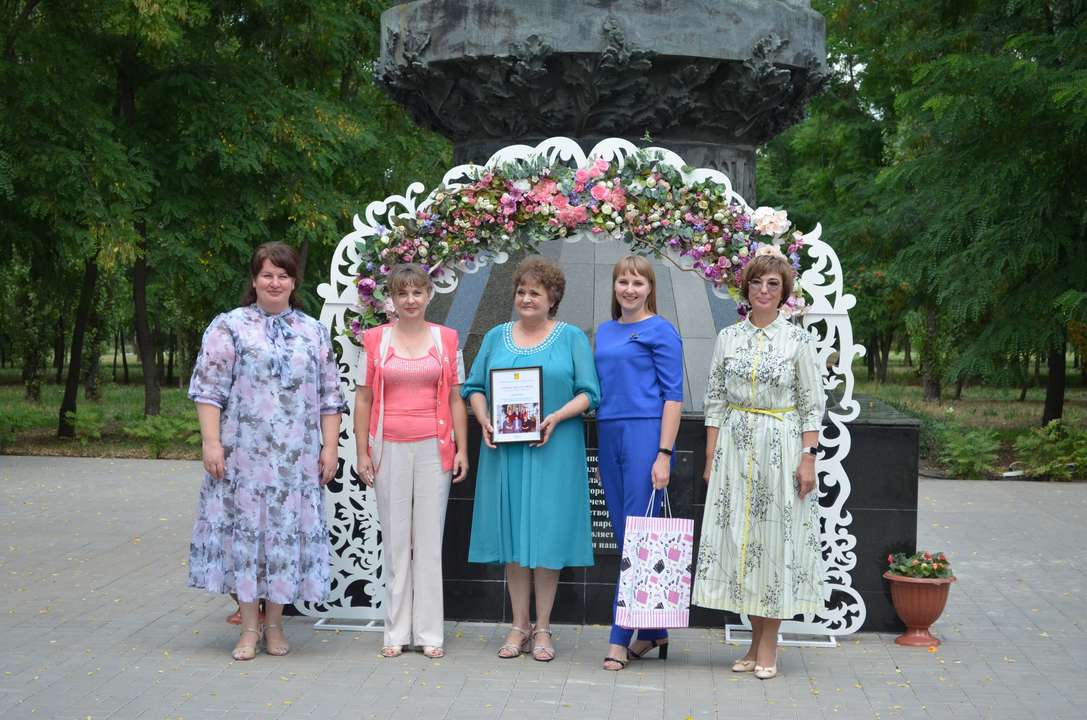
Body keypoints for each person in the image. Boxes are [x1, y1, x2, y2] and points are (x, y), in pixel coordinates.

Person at [188, 241, 345, 661]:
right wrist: (211, 442)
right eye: (267, 275)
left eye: (283, 275)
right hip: (242, 460)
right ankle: (248, 628)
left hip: (295, 462)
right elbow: (208, 390)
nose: (275, 282)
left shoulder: (313, 331)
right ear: (254, 280)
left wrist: (330, 447)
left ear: (294, 282)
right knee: (246, 542)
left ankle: (275, 624)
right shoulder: (229, 327)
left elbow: (331, 397)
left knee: (283, 541)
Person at [693, 248, 826, 680]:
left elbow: (811, 405)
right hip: (734, 449)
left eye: (773, 284)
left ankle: (770, 643)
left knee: (774, 544)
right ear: (746, 288)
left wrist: (808, 459)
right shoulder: (728, 337)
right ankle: (754, 641)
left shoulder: (797, 340)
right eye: (756, 282)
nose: (763, 290)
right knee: (743, 546)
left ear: (784, 292)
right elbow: (715, 399)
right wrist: (711, 458)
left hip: (780, 447)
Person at [463, 256, 600, 662]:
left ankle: (543, 627)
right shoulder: (495, 336)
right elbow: (474, 387)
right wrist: (484, 419)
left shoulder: (571, 337)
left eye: (535, 292)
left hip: (554, 449)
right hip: (506, 452)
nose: (526, 298)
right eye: (521, 291)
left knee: (547, 538)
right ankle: (518, 625)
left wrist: (557, 416)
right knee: (513, 539)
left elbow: (590, 393)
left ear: (552, 297)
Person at [355, 264, 469, 659]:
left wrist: (462, 449)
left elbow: (455, 397)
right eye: (402, 293)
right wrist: (362, 451)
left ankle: (430, 634)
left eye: (417, 292)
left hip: (434, 448)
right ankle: (396, 632)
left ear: (429, 295)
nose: (410, 300)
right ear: (391, 298)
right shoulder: (375, 340)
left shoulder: (447, 339)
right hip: (388, 447)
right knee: (396, 541)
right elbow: (364, 398)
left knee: (429, 541)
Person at [593, 255, 684, 671]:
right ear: (614, 287)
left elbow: (674, 397)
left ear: (650, 289)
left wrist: (664, 454)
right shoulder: (605, 331)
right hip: (608, 433)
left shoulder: (661, 330)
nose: (629, 289)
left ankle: (619, 639)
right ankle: (652, 631)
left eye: (638, 283)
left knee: (636, 540)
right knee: (624, 536)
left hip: (645, 435)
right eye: (623, 282)